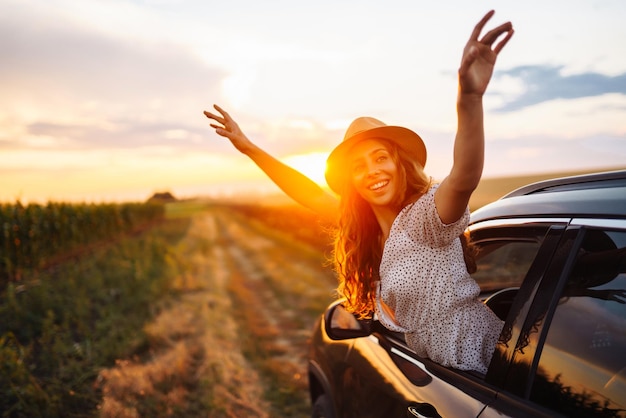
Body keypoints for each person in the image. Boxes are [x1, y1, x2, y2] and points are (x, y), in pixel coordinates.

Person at [204, 10, 514, 374]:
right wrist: (250, 148)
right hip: (445, 382)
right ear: (351, 180)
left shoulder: (426, 219)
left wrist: (469, 99)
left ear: (400, 164)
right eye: (358, 165)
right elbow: (304, 191)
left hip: (487, 367)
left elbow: (463, 176)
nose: (372, 171)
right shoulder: (365, 227)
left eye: (380, 157)